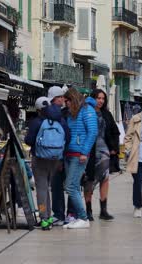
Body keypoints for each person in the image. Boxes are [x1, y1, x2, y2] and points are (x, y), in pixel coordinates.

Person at [25, 95, 69, 230]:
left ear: (38, 109)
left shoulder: (37, 122)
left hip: (40, 159)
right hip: (56, 159)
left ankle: (44, 218)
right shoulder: (60, 120)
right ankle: (49, 215)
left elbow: (28, 141)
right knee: (49, 188)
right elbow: (68, 136)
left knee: (41, 189)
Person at [63, 88, 98, 229]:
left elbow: (92, 132)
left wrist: (84, 152)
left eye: (67, 101)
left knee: (70, 186)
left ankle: (83, 218)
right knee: (74, 187)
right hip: (70, 153)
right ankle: (78, 216)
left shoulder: (87, 110)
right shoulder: (73, 113)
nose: (66, 104)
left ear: (73, 99)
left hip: (79, 154)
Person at [84, 89, 119, 221]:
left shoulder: (106, 114)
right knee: (89, 179)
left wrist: (114, 148)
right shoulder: (86, 112)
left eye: (103, 98)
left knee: (104, 178)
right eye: (98, 98)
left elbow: (115, 131)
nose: (100, 101)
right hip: (88, 150)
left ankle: (103, 210)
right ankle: (88, 210)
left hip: (104, 150)